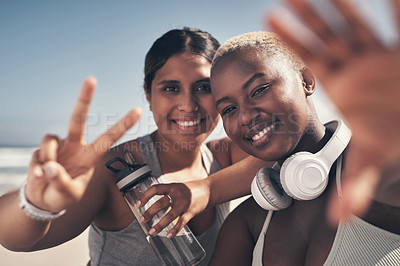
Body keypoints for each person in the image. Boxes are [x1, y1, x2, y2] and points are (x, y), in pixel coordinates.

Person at [137, 0, 400, 245]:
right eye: (228, 108)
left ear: (306, 81)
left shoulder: (378, 180)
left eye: (259, 90)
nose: (246, 115)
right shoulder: (244, 222)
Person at [0, 27, 255, 266]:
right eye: (171, 88)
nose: (188, 105)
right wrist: (35, 203)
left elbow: (287, 150)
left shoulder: (223, 156)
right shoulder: (115, 168)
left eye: (203, 87)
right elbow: (17, 239)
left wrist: (208, 189)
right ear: (148, 95)